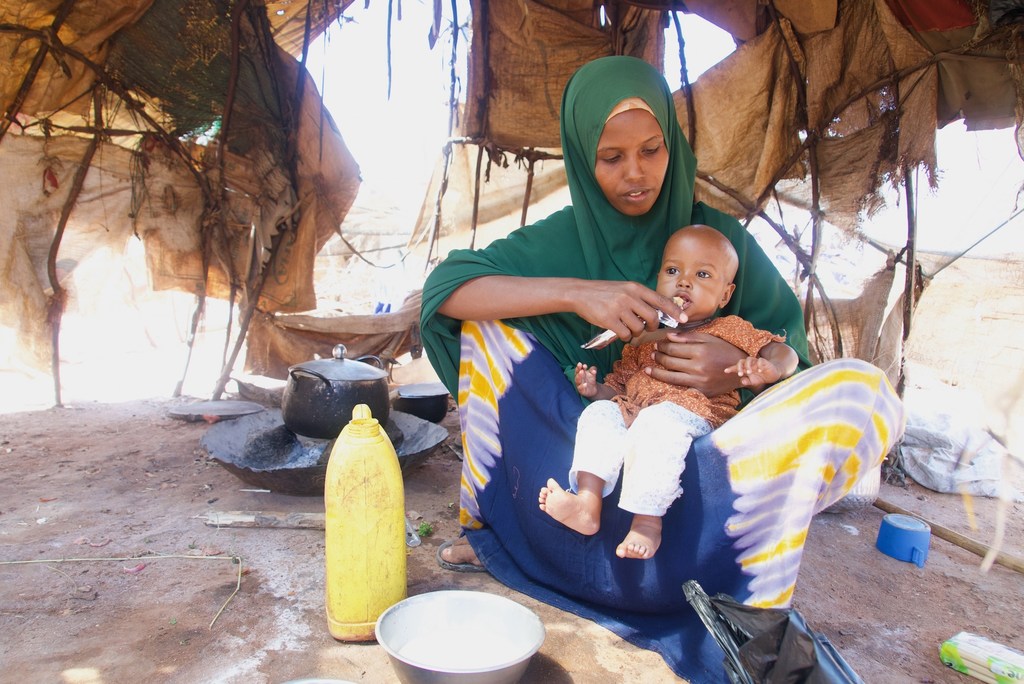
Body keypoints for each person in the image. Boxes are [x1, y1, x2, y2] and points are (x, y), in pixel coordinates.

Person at [420, 55, 904, 682]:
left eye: (652, 149)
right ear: (581, 157)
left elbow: (791, 355)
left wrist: (735, 367)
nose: (635, 174)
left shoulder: (718, 242)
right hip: (581, 455)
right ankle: (503, 531)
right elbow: (445, 290)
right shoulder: (559, 240)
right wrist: (577, 294)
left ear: (673, 144)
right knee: (487, 328)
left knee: (862, 391)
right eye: (611, 157)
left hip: (705, 476)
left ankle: (737, 595)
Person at [539, 225, 799, 560]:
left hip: (691, 416)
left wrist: (772, 369)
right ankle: (587, 503)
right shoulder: (646, 337)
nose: (684, 281)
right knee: (599, 415)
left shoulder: (730, 329)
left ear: (724, 294)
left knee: (657, 424)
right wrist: (595, 390)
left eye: (702, 274)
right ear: (658, 279)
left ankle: (647, 522)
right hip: (637, 411)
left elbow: (783, 352)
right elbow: (620, 390)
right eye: (673, 271)